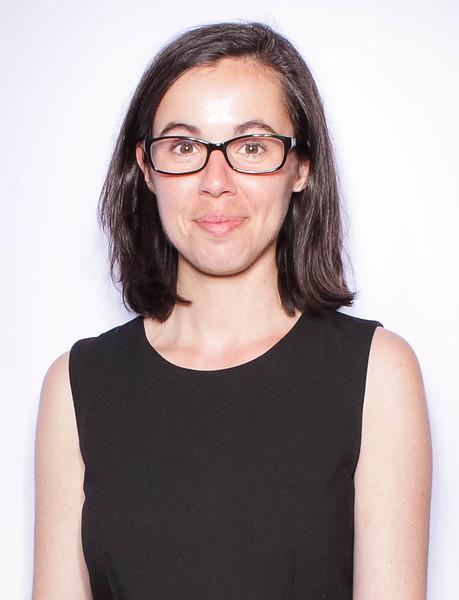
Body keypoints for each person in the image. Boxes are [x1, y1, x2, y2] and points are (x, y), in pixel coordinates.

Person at [33, 21, 432, 599]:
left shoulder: (379, 373)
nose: (215, 182)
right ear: (146, 168)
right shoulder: (76, 384)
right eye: (185, 147)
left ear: (302, 167)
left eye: (251, 146)